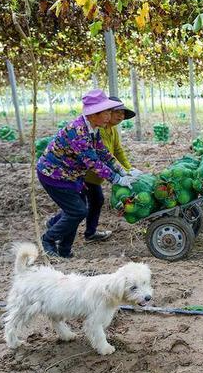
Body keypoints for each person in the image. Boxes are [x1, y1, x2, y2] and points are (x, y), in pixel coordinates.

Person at [37, 89, 136, 258]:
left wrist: (122, 169)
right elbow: (93, 162)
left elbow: (102, 152)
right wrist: (117, 179)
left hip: (72, 176)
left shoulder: (93, 128)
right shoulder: (79, 132)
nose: (109, 116)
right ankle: (48, 239)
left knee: (75, 212)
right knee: (77, 211)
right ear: (93, 114)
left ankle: (64, 251)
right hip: (54, 175)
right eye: (106, 112)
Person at [76, 96, 142, 243]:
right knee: (77, 209)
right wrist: (119, 176)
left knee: (96, 201)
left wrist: (128, 169)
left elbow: (118, 152)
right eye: (117, 112)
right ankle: (54, 226)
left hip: (96, 176)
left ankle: (90, 233)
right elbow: (103, 156)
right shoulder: (99, 131)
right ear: (106, 113)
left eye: (123, 113)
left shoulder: (112, 131)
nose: (121, 116)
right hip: (86, 176)